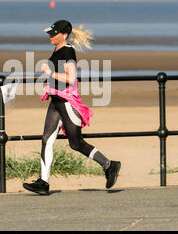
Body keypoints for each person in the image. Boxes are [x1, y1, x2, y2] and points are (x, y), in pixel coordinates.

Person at [22, 20, 121, 195]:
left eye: (54, 33)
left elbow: (71, 78)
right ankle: (43, 183)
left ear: (64, 35)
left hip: (67, 102)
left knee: (76, 143)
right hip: (56, 102)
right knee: (47, 140)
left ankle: (109, 165)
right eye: (50, 33)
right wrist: (49, 84)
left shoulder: (68, 51)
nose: (50, 36)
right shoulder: (57, 50)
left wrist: (50, 73)